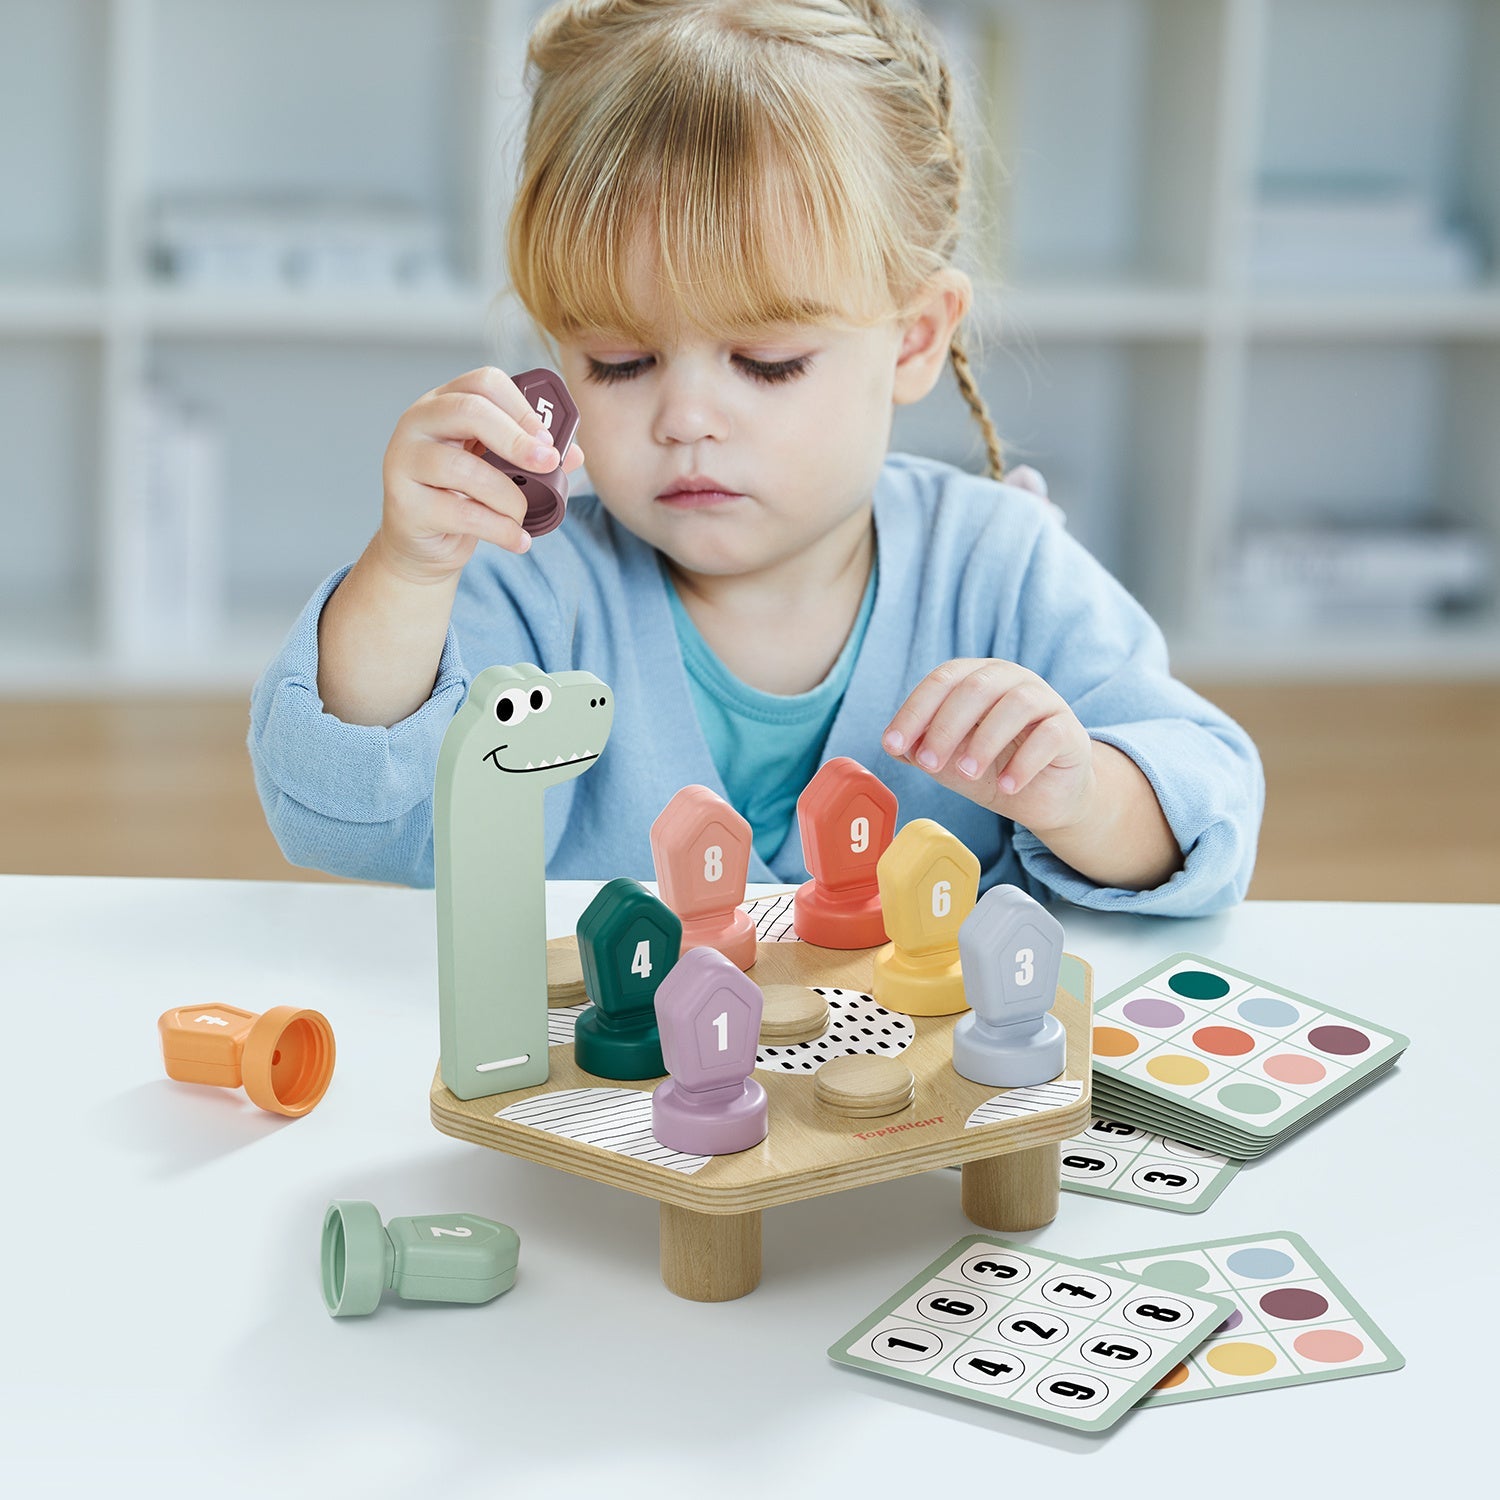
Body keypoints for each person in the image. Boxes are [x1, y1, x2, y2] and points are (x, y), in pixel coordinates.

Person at [249, 0, 1262, 915]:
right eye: (620, 361)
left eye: (767, 362)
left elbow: (1208, 814)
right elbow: (360, 826)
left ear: (913, 339)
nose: (686, 418)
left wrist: (1083, 794)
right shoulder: (531, 584)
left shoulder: (1000, 565)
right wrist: (409, 569)